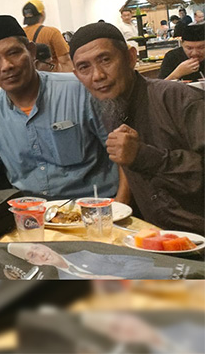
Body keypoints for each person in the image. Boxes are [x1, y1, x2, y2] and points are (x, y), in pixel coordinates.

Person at [0, 15, 123, 201]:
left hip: (95, 207)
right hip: (30, 212)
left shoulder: (80, 90)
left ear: (31, 51)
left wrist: (121, 206)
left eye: (14, 53)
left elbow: (124, 157)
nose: (6, 66)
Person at [69, 22, 204, 233]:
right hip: (152, 236)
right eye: (84, 67)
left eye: (105, 60)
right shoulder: (110, 108)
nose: (97, 75)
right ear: (77, 75)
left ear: (131, 57)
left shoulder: (178, 99)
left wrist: (143, 156)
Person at [6, 243, 173, 280]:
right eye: (33, 255)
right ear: (34, 264)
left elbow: (139, 261)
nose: (41, 254)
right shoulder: (63, 281)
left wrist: (117, 277)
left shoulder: (85, 253)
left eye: (37, 248)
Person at [21, 0, 73, 72]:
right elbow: (65, 61)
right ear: (42, 13)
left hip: (30, 77)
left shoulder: (20, 34)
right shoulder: (52, 32)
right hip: (50, 77)